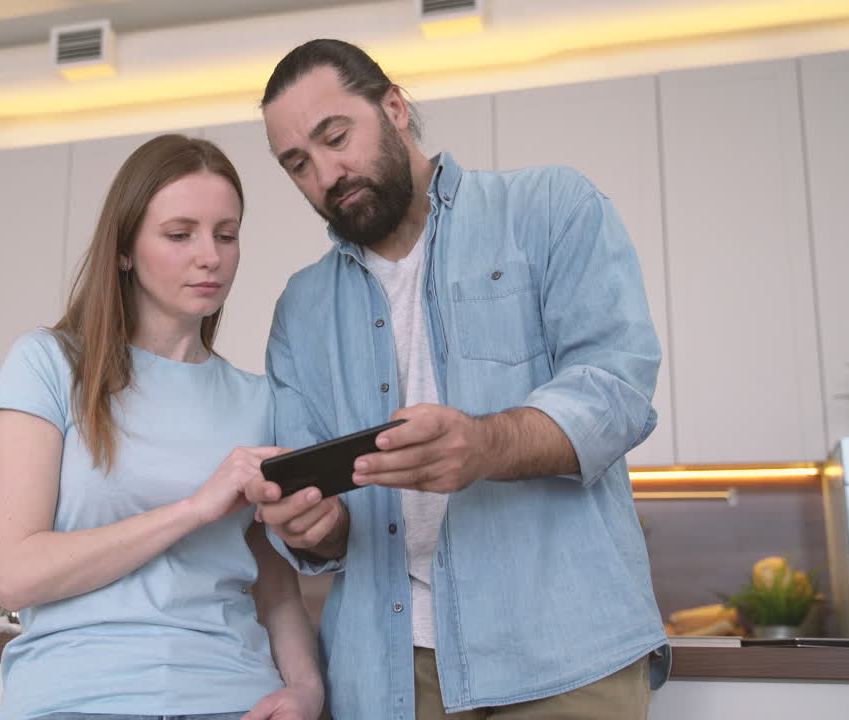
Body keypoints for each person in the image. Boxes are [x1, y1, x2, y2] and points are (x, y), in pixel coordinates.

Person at [244, 39, 669, 720]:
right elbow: (324, 523)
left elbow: (615, 391)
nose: (326, 173)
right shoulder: (300, 309)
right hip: (385, 678)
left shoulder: (549, 208)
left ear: (393, 106)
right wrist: (309, 527)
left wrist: (486, 444)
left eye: (336, 137)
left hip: (562, 658)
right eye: (298, 163)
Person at [0, 134, 324, 720]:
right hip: (77, 700)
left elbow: (275, 585)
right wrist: (195, 508)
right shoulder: (47, 365)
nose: (209, 256)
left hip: (235, 698)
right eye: (179, 234)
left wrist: (307, 690)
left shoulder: (259, 399)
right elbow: (15, 575)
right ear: (124, 250)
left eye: (226, 234)